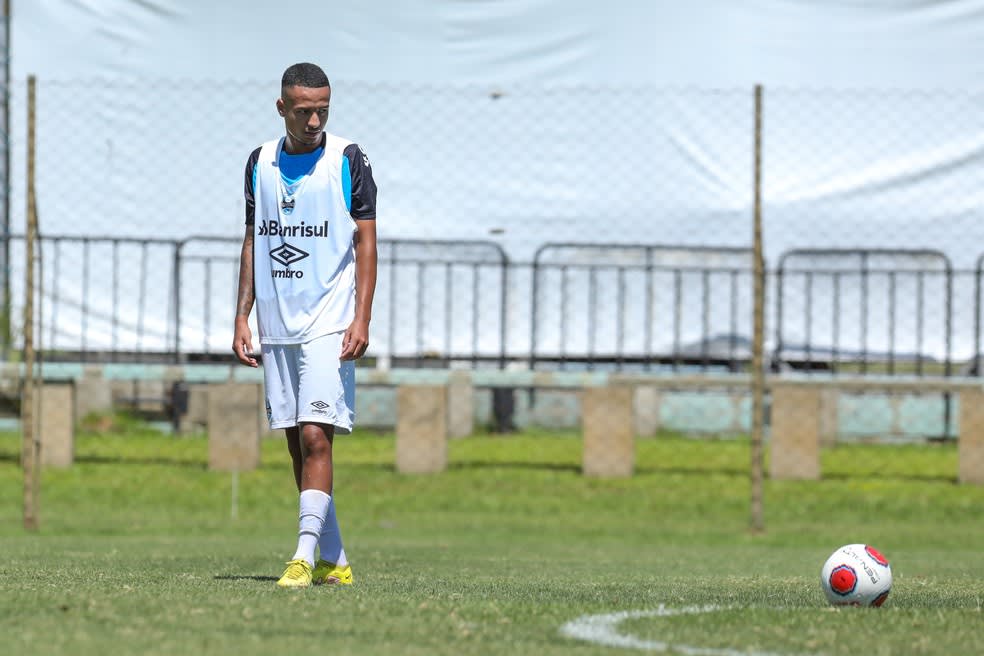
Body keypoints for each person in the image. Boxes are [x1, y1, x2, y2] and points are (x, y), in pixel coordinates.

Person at [233, 62, 378, 588]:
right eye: (304, 111)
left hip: (329, 322)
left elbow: (366, 240)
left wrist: (361, 316)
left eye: (322, 109)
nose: (315, 120)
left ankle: (301, 555)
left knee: (318, 434)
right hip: (277, 323)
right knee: (297, 440)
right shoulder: (260, 163)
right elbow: (254, 241)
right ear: (282, 108)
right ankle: (334, 560)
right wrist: (241, 315)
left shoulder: (348, 158)